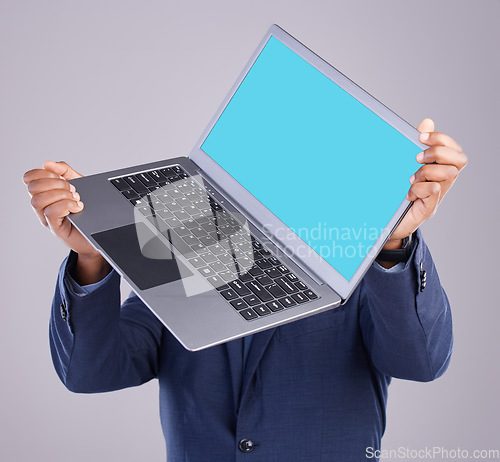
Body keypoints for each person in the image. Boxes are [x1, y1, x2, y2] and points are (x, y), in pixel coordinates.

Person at [23, 118, 467, 461]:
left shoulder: (355, 269)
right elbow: (90, 373)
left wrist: (392, 242)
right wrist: (92, 256)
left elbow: (422, 361)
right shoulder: (185, 262)